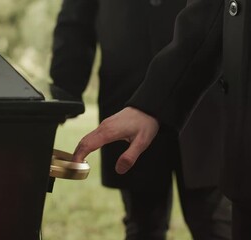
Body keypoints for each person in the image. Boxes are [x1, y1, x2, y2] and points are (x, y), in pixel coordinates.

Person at [50, 0, 231, 239]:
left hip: (205, 96)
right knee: (142, 224)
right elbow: (76, 19)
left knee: (216, 222)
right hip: (126, 97)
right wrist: (65, 89)